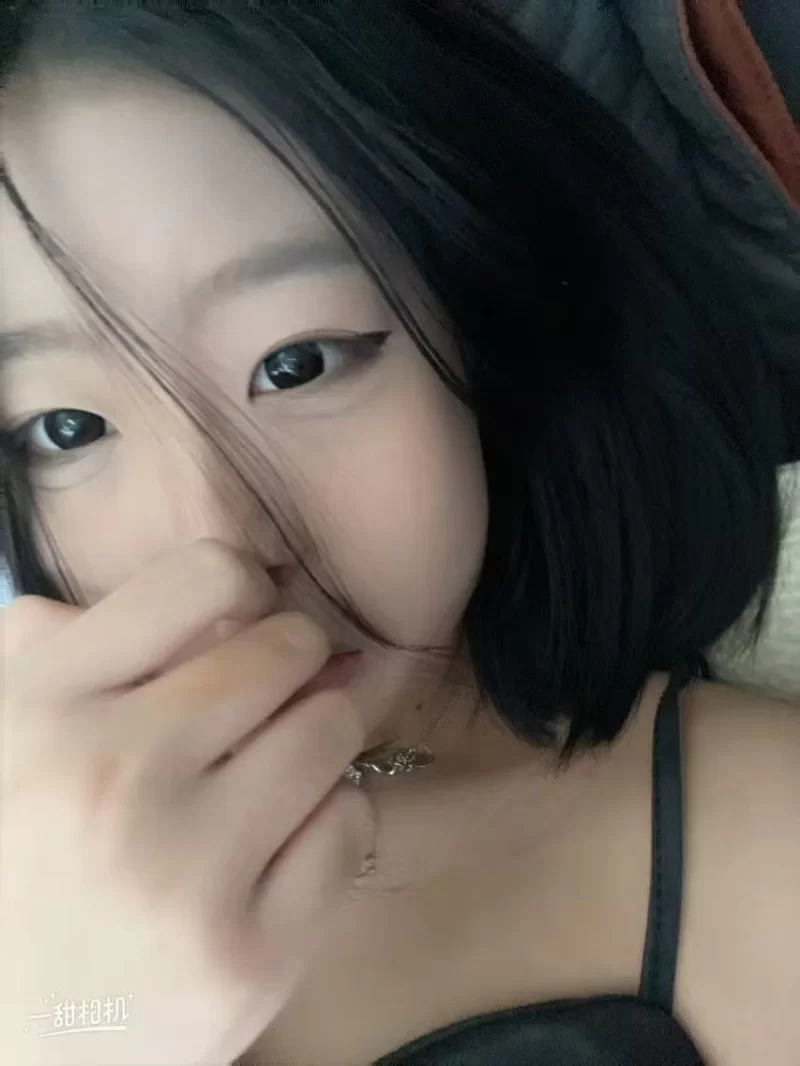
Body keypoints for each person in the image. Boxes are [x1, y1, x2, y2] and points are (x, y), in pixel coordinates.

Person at [1, 3, 798, 1065]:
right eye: (67, 427)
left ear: (485, 335)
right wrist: (67, 1032)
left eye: (297, 363)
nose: (216, 547)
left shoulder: (759, 835)